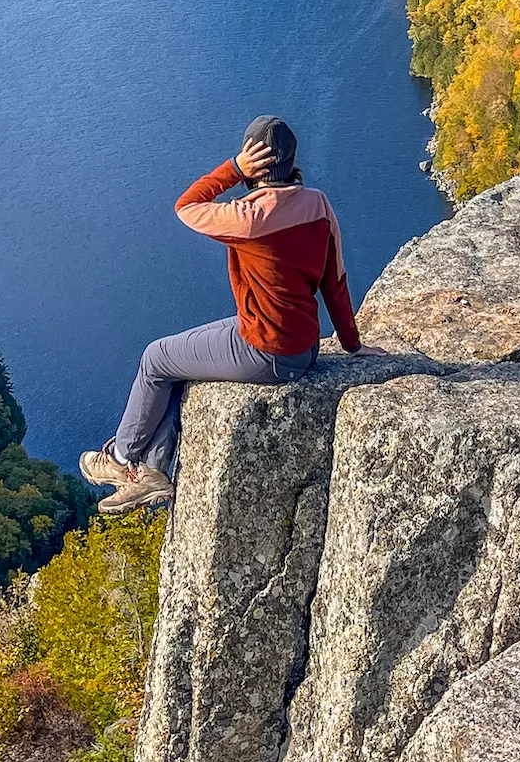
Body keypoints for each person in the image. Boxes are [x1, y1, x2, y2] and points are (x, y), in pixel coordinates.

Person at [79, 114, 362, 514]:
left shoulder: (246, 218)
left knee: (156, 358)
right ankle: (154, 472)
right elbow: (335, 281)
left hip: (265, 352)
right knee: (177, 360)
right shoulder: (318, 205)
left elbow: (186, 206)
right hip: (304, 347)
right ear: (292, 161)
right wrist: (352, 345)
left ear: (254, 161)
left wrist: (233, 168)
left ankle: (122, 460)